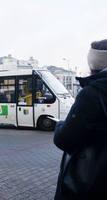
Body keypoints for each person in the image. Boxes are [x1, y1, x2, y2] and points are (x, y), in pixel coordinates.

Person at [53, 39, 107, 199]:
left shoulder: (92, 94)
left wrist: (60, 124)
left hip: (95, 185)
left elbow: (65, 140)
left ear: (92, 66)